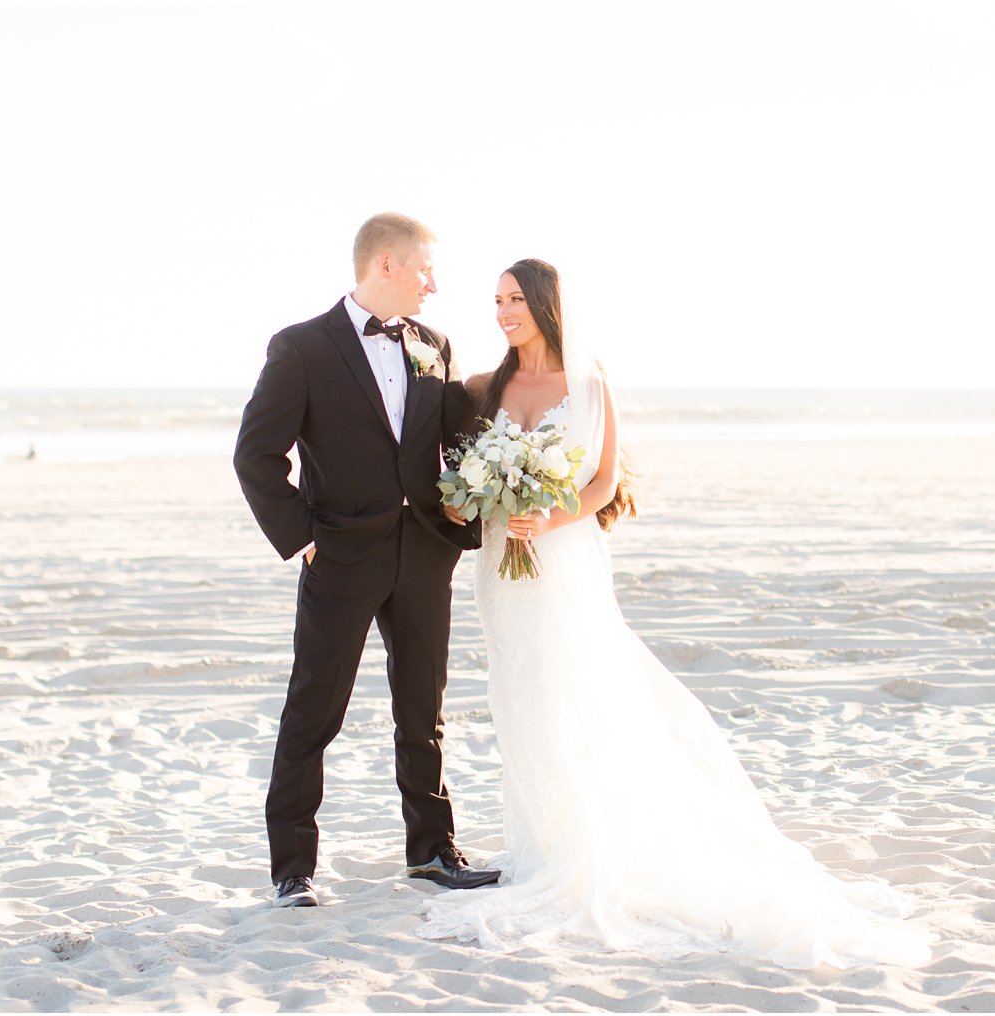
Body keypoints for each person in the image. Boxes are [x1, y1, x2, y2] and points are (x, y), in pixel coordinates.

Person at [419, 259, 936, 969]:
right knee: (520, 698)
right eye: (497, 300)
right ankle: (541, 845)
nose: (504, 311)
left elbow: (602, 482)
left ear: (544, 304)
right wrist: (475, 500)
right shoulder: (489, 386)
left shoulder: (589, 380)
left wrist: (552, 513)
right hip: (502, 565)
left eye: (515, 299)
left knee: (580, 690)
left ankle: (594, 844)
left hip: (561, 556)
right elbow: (460, 473)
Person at [233, 213, 500, 907]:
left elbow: (459, 442)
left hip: (423, 558)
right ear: (386, 265)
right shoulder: (301, 349)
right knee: (314, 710)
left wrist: (473, 504)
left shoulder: (435, 345)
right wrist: (304, 535)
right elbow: (256, 456)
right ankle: (293, 871)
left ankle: (433, 852)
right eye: (424, 270)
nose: (433, 285)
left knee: (424, 711)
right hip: (342, 556)